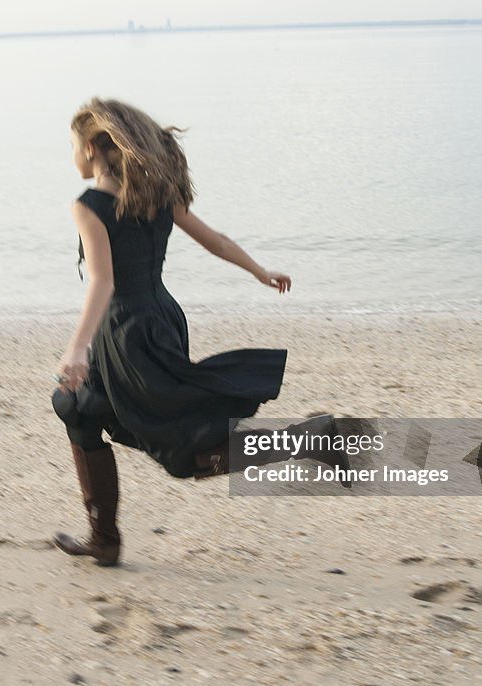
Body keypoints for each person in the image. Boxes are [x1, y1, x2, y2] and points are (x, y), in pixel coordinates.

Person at [51, 97, 350, 567]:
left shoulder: (89, 206)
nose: (70, 155)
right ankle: (103, 539)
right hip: (161, 319)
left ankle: (303, 441)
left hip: (125, 334)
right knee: (77, 409)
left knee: (182, 451)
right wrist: (258, 270)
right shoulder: (155, 195)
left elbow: (103, 282)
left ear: (91, 147)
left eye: (70, 145)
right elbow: (215, 241)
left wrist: (77, 349)